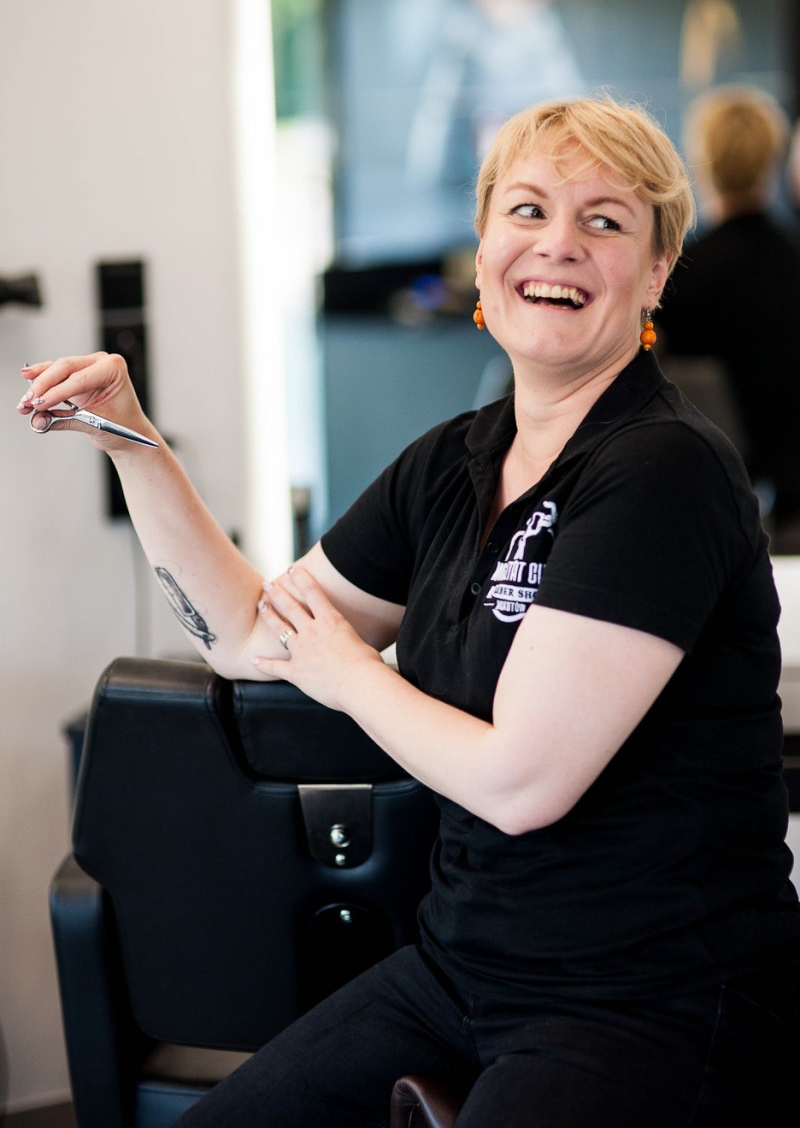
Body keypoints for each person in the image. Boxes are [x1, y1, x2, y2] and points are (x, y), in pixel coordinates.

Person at [17, 96, 800, 1126]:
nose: (557, 243)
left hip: (650, 998)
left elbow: (522, 781)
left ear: (655, 273)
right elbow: (254, 636)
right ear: (483, 247)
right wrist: (133, 441)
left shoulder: (663, 469)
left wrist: (349, 673)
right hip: (463, 966)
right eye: (527, 209)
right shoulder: (450, 464)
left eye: (604, 221)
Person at [656, 84, 800, 553]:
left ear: (700, 162)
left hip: (703, 502)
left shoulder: (675, 281)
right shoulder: (793, 263)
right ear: (772, 159)